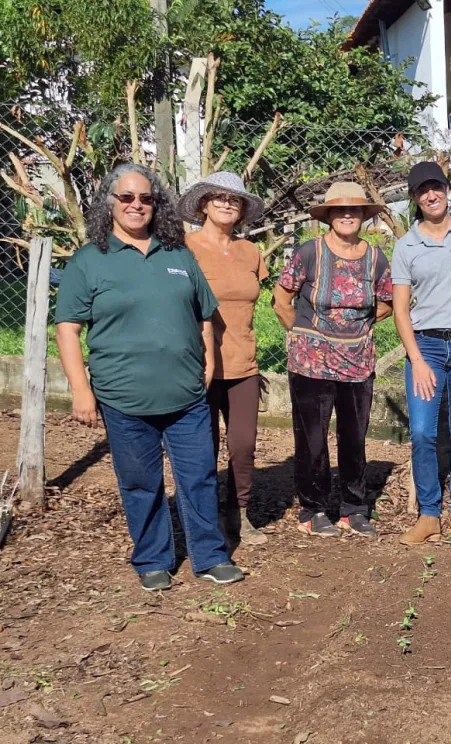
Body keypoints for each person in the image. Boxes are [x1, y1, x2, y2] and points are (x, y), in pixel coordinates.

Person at [55, 163, 242, 591]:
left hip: (186, 395)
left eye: (146, 198)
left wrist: (209, 361)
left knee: (199, 476)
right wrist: (81, 390)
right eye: (127, 197)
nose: (136, 205)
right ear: (109, 202)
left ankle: (210, 556)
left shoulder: (177, 254)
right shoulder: (90, 260)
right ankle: (153, 559)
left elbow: (204, 315)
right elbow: (67, 329)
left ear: (157, 205)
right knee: (141, 482)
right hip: (124, 397)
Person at [272, 182, 393, 538]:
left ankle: (353, 508)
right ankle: (313, 508)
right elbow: (281, 300)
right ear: (328, 216)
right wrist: (302, 332)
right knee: (312, 438)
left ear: (363, 216)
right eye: (340, 210)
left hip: (358, 362)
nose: (347, 215)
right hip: (311, 363)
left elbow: (387, 303)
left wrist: (358, 326)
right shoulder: (310, 253)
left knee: (354, 437)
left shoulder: (375, 258)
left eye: (354, 210)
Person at [392, 162, 451, 544]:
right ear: (415, 198)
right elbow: (400, 310)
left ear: (447, 190)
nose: (431, 195)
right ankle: (429, 513)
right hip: (427, 347)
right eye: (423, 190)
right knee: (421, 432)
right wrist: (416, 360)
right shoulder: (407, 245)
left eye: (436, 187)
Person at [179, 171, 269, 546]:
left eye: (235, 199)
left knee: (243, 445)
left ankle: (239, 513)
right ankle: (206, 516)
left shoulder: (251, 252)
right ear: (204, 204)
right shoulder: (184, 249)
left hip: (243, 364)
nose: (227, 204)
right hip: (198, 365)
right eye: (219, 197)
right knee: (204, 447)